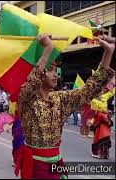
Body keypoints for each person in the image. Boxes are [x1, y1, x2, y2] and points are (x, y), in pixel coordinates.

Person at [16, 34, 115, 179]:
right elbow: (30, 84)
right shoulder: (27, 100)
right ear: (39, 73)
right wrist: (48, 49)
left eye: (56, 71)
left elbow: (90, 89)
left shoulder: (60, 99)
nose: (56, 75)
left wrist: (108, 52)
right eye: (51, 70)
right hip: (35, 167)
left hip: (56, 165)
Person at [90, 86, 115, 159]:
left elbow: (111, 93)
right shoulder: (93, 100)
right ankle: (96, 152)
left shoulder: (104, 97)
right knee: (97, 138)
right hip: (98, 120)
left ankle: (105, 154)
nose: (101, 92)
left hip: (105, 120)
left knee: (106, 137)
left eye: (101, 90)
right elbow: (93, 112)